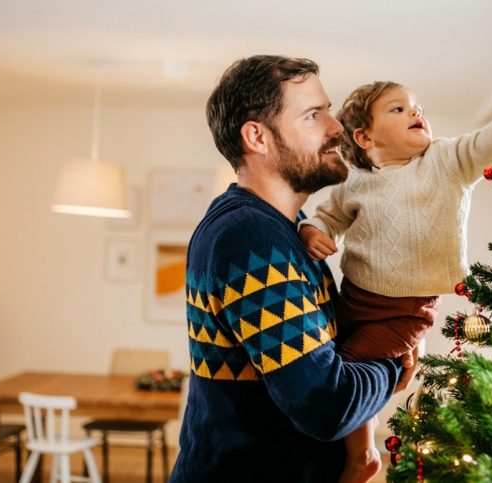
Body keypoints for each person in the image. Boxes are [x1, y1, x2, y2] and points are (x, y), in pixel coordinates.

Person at [298, 80, 492, 482]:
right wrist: (312, 232)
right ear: (364, 136)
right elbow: (326, 216)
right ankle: (400, 365)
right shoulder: (354, 181)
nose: (416, 113)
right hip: (355, 297)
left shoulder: (445, 160)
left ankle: (363, 456)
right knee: (343, 356)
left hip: (407, 308)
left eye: (417, 106)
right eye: (398, 109)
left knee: (350, 370)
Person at [169, 55, 418, 483]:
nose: (336, 127)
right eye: (313, 115)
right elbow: (327, 406)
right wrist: (395, 366)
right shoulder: (247, 236)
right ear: (257, 137)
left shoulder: (291, 229)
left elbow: (328, 356)